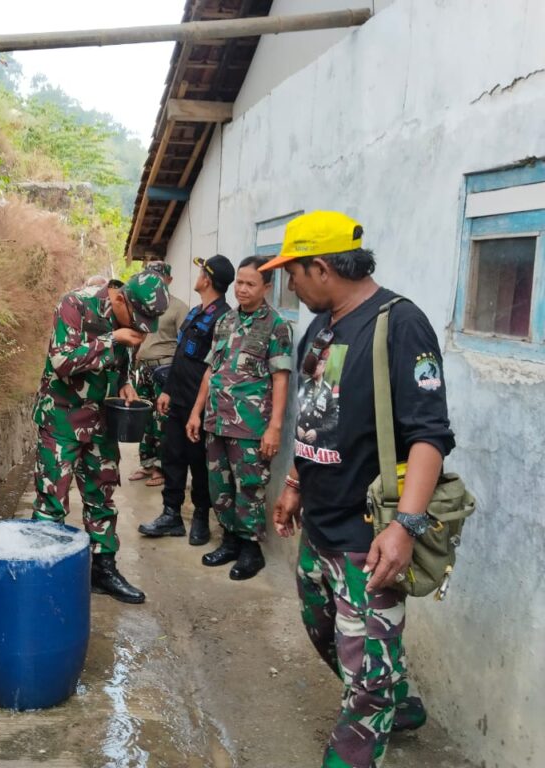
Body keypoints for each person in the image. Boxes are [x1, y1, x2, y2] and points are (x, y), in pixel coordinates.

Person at [265, 211, 455, 767]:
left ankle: (358, 740)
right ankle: (397, 702)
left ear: (321, 268)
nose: (290, 286)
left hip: (368, 535)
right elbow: (315, 418)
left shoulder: (399, 325)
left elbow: (429, 436)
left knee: (365, 672)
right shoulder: (320, 329)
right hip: (318, 524)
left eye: (293, 274)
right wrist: (296, 482)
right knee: (324, 632)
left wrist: (405, 526)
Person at [32, 270, 170, 604]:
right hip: (62, 419)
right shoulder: (75, 304)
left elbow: (120, 363)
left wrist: (125, 381)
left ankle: (103, 571)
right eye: (136, 320)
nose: (139, 328)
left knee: (102, 495)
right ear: (119, 297)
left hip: (101, 419)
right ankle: (44, 578)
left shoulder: (128, 324)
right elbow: (61, 360)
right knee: (53, 501)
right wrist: (113, 339)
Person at [186, 255, 293, 580]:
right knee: (220, 485)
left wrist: (274, 427)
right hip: (216, 420)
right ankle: (230, 541)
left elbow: (280, 378)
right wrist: (196, 411)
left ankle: (251, 551)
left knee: (249, 488)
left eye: (250, 284)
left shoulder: (275, 326)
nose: (242, 290)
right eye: (239, 283)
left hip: (249, 425)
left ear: (267, 287)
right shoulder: (225, 322)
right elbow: (210, 370)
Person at [138, 255, 234, 544]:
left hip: (200, 405)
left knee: (199, 464)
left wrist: (196, 411)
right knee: (172, 456)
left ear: (208, 279)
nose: (197, 276)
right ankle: (171, 515)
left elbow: (211, 369)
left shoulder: (223, 318)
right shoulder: (195, 312)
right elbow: (181, 356)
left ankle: (201, 517)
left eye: (201, 272)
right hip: (178, 399)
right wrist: (167, 391)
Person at [128, 261, 189, 487]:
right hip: (143, 368)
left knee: (162, 419)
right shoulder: (140, 303)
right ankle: (147, 464)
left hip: (164, 369)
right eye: (149, 275)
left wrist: (176, 374)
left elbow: (185, 344)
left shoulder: (178, 308)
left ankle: (162, 469)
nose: (153, 280)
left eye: (158, 276)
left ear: (169, 280)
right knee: (143, 418)